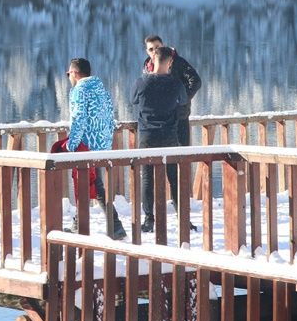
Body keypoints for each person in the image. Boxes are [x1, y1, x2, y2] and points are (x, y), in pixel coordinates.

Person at [60, 57, 126, 240]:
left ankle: (113, 226)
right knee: (93, 185)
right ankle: (103, 226)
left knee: (91, 184)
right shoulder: (101, 90)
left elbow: (79, 119)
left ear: (74, 73)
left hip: (86, 147)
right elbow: (110, 118)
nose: (68, 77)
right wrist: (106, 142)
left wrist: (71, 145)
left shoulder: (79, 90)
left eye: (68, 73)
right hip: (102, 145)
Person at [130, 45, 189, 233]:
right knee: (174, 177)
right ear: (170, 62)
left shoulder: (141, 82)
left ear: (152, 60)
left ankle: (149, 218)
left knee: (147, 177)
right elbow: (183, 101)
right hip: (169, 135)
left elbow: (133, 100)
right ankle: (182, 216)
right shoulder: (176, 84)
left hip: (147, 136)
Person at [142, 34, 201, 147]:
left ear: (163, 46)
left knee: (182, 153)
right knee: (158, 155)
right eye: (151, 49)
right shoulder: (147, 66)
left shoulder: (177, 62)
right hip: (157, 120)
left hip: (179, 117)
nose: (154, 51)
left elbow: (196, 81)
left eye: (157, 47)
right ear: (147, 51)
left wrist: (181, 100)